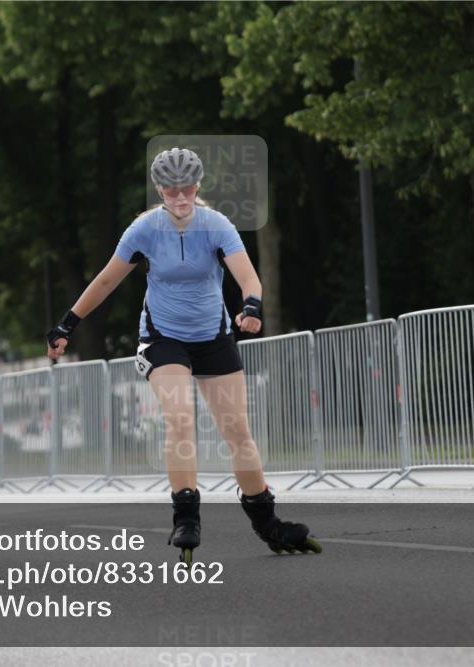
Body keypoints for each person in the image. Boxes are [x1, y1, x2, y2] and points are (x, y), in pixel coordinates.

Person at [46, 148, 320, 562]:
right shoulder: (143, 229)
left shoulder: (216, 225)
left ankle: (268, 522)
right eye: (171, 190)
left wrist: (250, 307)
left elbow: (248, 277)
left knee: (236, 431)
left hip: (212, 335)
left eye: (187, 188)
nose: (180, 197)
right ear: (159, 190)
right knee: (180, 418)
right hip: (162, 337)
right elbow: (105, 282)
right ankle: (186, 516)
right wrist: (67, 324)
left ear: (197, 186)